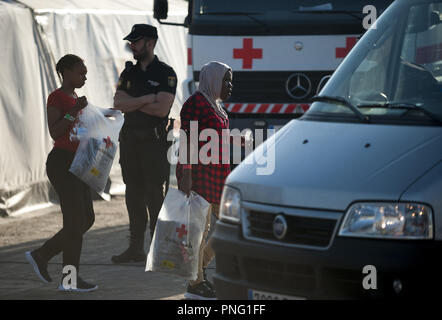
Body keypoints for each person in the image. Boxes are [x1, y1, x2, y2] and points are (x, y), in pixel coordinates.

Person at [25, 54, 97, 292]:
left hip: (79, 162)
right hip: (61, 163)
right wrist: (74, 110)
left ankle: (42, 254)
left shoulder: (76, 98)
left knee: (87, 219)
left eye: (85, 73)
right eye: (80, 72)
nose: (84, 76)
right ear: (65, 72)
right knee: (75, 221)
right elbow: (55, 132)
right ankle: (69, 280)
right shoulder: (56, 97)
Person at [111, 24, 177, 263]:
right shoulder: (129, 72)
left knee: (153, 195)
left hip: (154, 143)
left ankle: (157, 248)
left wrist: (135, 101)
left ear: (150, 43)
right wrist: (148, 97)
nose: (132, 46)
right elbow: (119, 102)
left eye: (136, 42)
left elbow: (161, 110)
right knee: (133, 194)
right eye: (131, 41)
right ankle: (135, 247)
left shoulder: (165, 73)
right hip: (130, 142)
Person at [176, 61, 233, 300]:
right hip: (198, 175)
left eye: (231, 81)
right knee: (200, 230)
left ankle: (199, 271)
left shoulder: (216, 104)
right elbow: (187, 139)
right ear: (213, 79)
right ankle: (195, 282)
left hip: (218, 176)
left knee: (230, 225)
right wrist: (187, 175)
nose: (230, 86)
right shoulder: (195, 104)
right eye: (226, 80)